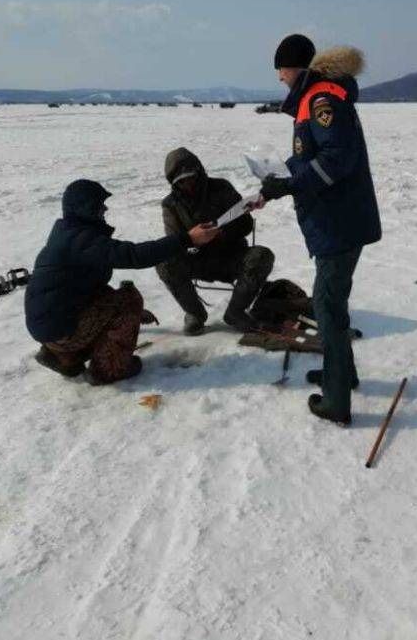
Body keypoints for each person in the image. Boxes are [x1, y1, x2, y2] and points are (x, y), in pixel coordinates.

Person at [258, 34, 382, 424]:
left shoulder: (320, 99)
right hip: (336, 219)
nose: (279, 77)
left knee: (327, 308)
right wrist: (279, 180)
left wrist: (292, 184)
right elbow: (314, 157)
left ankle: (336, 401)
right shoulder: (316, 97)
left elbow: (336, 160)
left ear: (294, 67)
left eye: (281, 69)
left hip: (338, 221)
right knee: (333, 304)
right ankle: (341, 374)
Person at [25, 178, 219, 385]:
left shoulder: (68, 235)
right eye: (99, 205)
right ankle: (108, 370)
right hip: (61, 328)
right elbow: (134, 255)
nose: (104, 208)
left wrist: (132, 317)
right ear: (86, 209)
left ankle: (62, 356)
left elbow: (88, 288)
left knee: (116, 299)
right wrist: (187, 239)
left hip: (52, 328)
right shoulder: (81, 239)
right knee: (129, 298)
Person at [156, 147, 275, 334]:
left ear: (199, 173)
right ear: (173, 182)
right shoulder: (170, 204)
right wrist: (194, 240)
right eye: (181, 181)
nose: (188, 184)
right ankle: (195, 314)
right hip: (197, 260)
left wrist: (223, 233)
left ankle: (235, 312)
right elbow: (174, 242)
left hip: (231, 256)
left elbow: (245, 224)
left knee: (262, 255)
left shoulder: (222, 188)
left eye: (191, 177)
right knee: (164, 261)